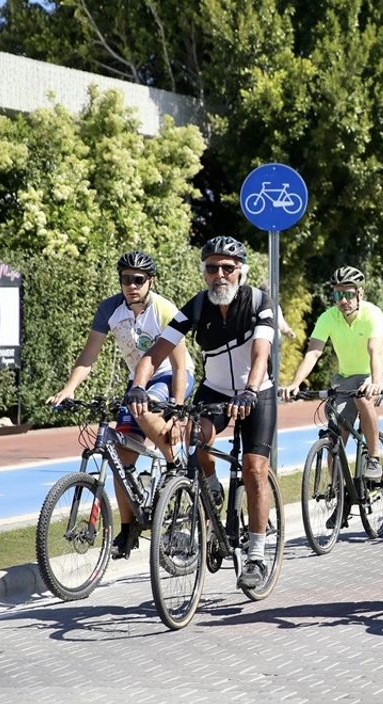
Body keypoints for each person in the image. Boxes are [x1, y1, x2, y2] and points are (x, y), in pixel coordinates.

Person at [131, 236, 279, 590]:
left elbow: (260, 354)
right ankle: (211, 488)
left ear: (240, 270)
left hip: (256, 391)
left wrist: (249, 390)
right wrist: (138, 385)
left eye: (227, 268)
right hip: (214, 390)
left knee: (254, 468)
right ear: (204, 273)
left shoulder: (259, 302)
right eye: (212, 268)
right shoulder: (197, 306)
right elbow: (155, 352)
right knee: (196, 438)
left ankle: (256, 555)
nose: (220, 275)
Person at [48, 251, 194, 559]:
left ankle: (173, 461)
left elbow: (180, 366)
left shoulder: (164, 309)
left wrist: (179, 409)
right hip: (137, 383)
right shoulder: (109, 309)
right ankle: (129, 530)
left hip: (171, 376)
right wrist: (69, 389)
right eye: (126, 280)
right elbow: (88, 356)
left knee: (147, 410)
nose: (132, 286)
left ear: (150, 282)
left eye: (138, 280)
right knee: (120, 456)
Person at [283, 266, 383, 481]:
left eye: (348, 294)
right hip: (345, 380)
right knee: (335, 438)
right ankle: (338, 498)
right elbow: (313, 353)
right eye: (337, 295)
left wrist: (375, 382)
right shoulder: (328, 318)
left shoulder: (372, 314)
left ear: (360, 294)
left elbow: (375, 352)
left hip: (377, 374)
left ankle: (373, 457)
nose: (342, 301)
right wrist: (295, 383)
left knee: (364, 399)